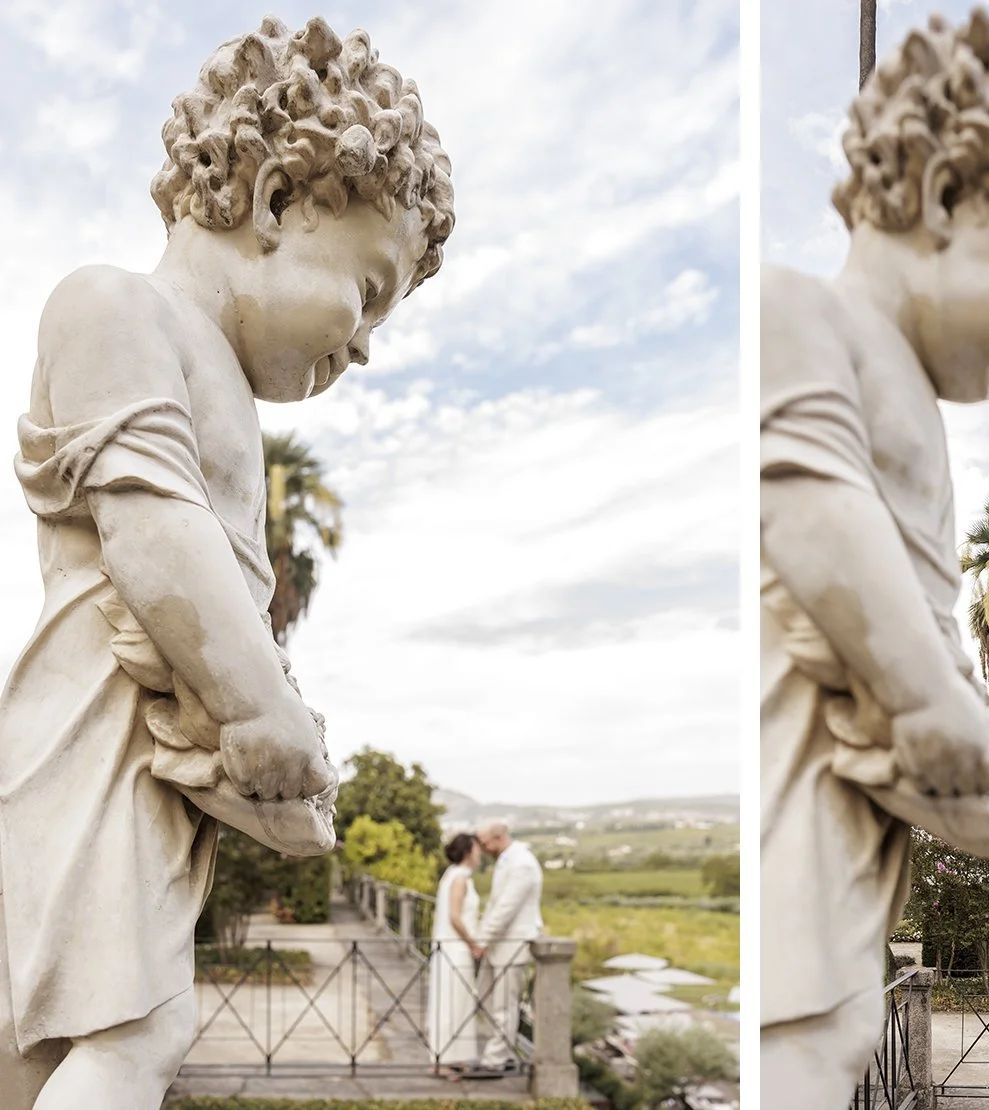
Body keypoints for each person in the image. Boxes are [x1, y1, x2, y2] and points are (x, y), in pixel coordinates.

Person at [0, 17, 453, 1110]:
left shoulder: (221, 386)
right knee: (133, 1032)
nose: (366, 343)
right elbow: (153, 525)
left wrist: (268, 726)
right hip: (94, 728)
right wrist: (260, 710)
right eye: (370, 290)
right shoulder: (113, 304)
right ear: (277, 202)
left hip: (159, 752)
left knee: (43, 1044)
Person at [759, 12, 989, 1109]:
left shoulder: (909, 404)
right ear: (942, 196)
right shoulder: (796, 312)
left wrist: (974, 767)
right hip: (791, 801)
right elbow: (808, 507)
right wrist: (933, 702)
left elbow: (915, 631)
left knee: (822, 1047)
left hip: (852, 856)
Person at [471, 821, 544, 1078]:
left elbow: (506, 909)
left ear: (499, 837)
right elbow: (495, 905)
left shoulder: (522, 863)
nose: (482, 849)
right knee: (486, 998)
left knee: (505, 1005)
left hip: (512, 944)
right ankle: (503, 1052)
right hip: (498, 945)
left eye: (484, 843)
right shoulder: (506, 861)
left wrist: (481, 941)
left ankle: (495, 1061)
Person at [428, 833, 486, 1075]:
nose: (480, 854)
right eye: (477, 849)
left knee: (455, 1003)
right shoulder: (460, 878)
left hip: (451, 948)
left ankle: (452, 1057)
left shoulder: (452, 875)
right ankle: (443, 1060)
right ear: (468, 852)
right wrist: (473, 944)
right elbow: (455, 917)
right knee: (452, 1004)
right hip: (456, 950)